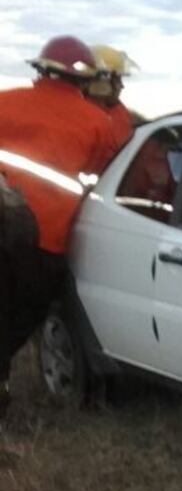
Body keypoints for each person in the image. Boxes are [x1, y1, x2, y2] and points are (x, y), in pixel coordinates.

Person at [0, 36, 118, 413]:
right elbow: (101, 178)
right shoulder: (99, 124)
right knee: (20, 319)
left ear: (41, 70)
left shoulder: (5, 102)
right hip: (43, 244)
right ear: (85, 81)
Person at [87, 44, 138, 148]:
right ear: (102, 80)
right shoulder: (83, 120)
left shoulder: (117, 110)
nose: (122, 86)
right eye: (118, 80)